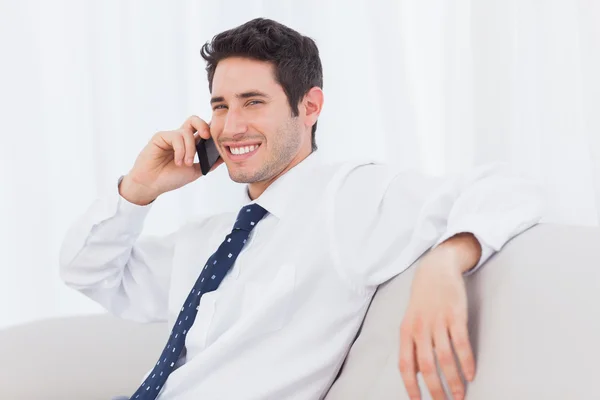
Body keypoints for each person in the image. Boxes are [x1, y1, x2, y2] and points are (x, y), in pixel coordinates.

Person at [59, 18, 544, 400]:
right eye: (221, 105)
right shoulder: (208, 238)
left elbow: (510, 187)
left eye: (253, 102)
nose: (230, 127)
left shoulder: (346, 199)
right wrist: (138, 189)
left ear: (310, 106)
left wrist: (445, 262)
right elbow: (89, 272)